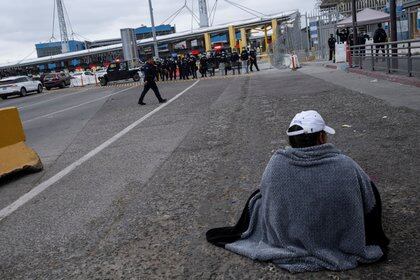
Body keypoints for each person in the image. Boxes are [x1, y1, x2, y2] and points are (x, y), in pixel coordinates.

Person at [206, 110, 389, 273]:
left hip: (288, 233)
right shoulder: (347, 166)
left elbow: (267, 195)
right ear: (321, 138)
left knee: (258, 200)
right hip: (337, 233)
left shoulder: (276, 164)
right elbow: (371, 199)